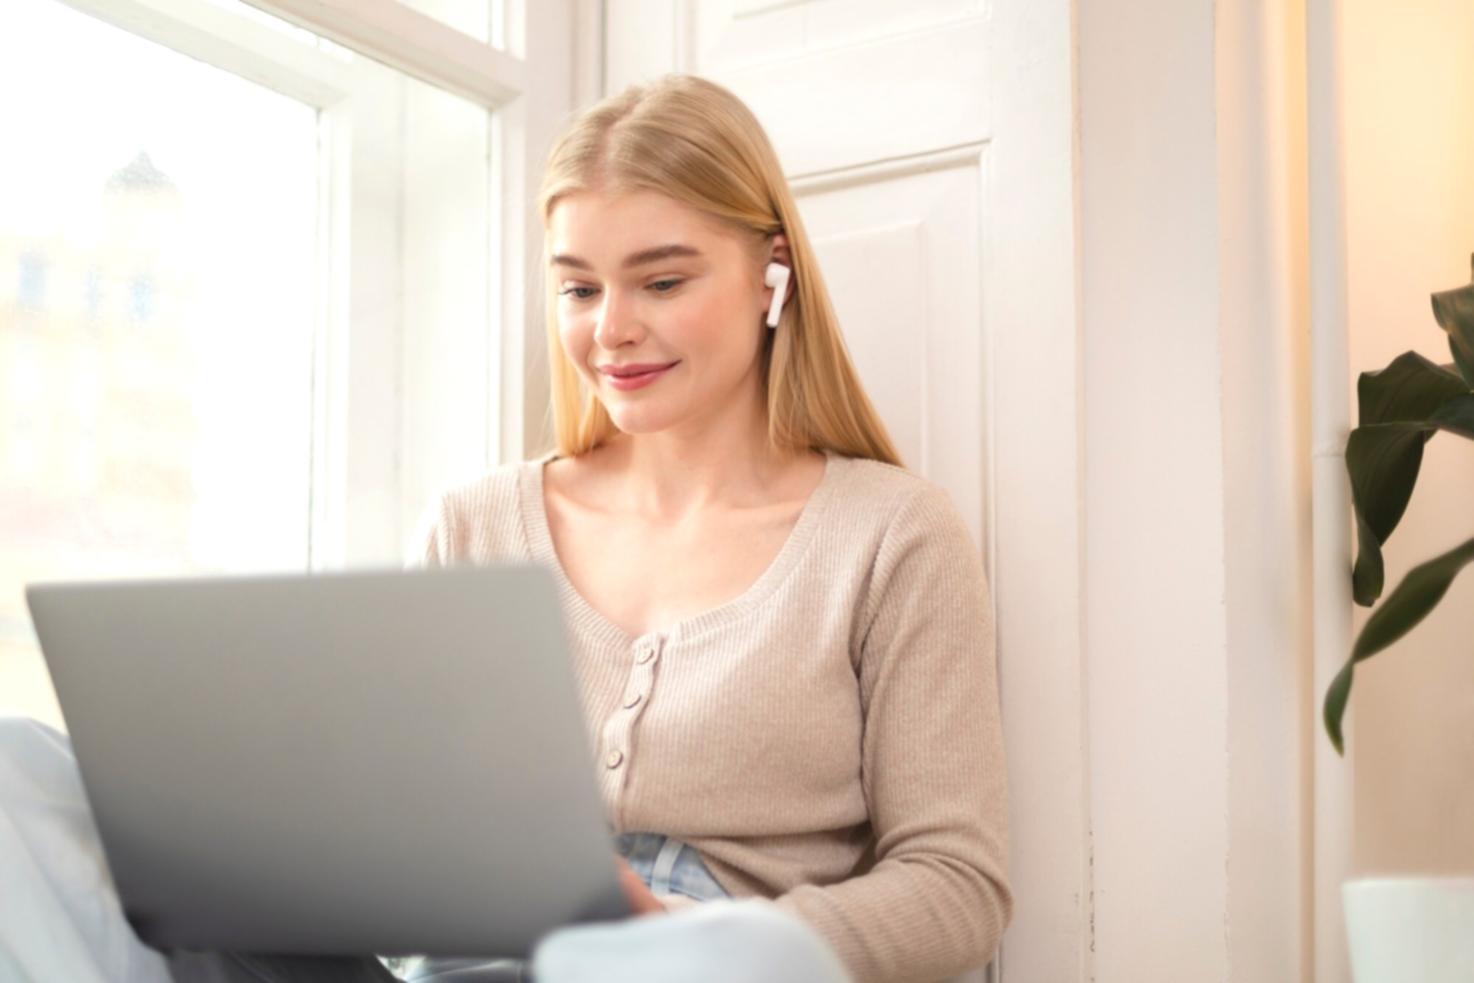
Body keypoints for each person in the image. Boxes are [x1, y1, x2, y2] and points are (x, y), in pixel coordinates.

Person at [0, 74, 1010, 983]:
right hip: (448, 967)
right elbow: (386, 819)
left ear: (769, 276)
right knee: (20, 773)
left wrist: (720, 942)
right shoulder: (476, 520)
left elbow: (956, 881)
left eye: (661, 280)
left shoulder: (890, 536)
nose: (608, 328)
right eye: (578, 287)